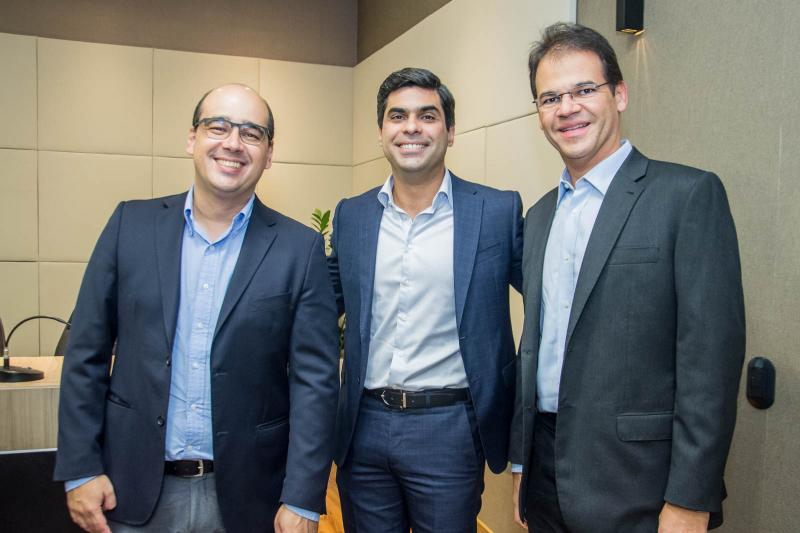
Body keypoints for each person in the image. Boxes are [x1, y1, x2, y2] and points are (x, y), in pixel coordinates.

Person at [54, 83, 340, 533]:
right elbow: (85, 354)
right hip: (131, 489)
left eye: (251, 133)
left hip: (250, 499)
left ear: (269, 154)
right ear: (192, 138)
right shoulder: (130, 225)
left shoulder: (298, 249)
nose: (233, 143)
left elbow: (315, 384)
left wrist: (303, 498)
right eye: (218, 126)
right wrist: (81, 468)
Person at [509, 23, 746, 532]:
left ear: (619, 94)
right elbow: (536, 347)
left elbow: (710, 364)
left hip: (640, 486)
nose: (567, 108)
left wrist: (690, 498)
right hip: (545, 474)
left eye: (584, 90)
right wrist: (521, 464)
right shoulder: (540, 216)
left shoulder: (686, 196)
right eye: (550, 98)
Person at [327, 67, 523, 532]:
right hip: (363, 427)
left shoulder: (496, 211)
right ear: (381, 132)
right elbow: (316, 306)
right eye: (397, 116)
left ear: (450, 131)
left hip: (449, 430)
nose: (411, 127)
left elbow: (548, 304)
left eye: (427, 116)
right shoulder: (353, 216)